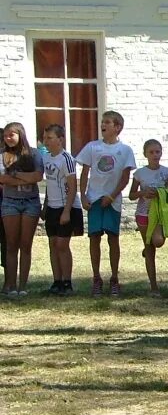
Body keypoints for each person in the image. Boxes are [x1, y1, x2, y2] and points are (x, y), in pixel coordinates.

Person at [77, 110, 137, 297]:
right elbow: (85, 173)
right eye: (103, 122)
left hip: (112, 201)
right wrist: (84, 195)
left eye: (108, 122)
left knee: (113, 238)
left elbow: (125, 178)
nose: (103, 125)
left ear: (117, 127)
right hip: (94, 199)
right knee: (94, 237)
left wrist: (111, 196)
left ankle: (114, 278)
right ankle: (96, 278)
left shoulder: (125, 150)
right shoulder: (92, 147)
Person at [0, 122, 44, 296]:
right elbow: (2, 179)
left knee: (26, 245)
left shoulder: (34, 154)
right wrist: (25, 179)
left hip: (30, 202)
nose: (8, 138)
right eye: (5, 136)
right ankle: (10, 284)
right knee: (11, 245)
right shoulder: (2, 155)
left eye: (11, 135)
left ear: (20, 134)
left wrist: (15, 175)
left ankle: (23, 286)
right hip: (10, 202)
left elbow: (38, 176)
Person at [40, 124, 82, 295]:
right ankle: (56, 281)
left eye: (50, 138)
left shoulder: (67, 159)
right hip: (51, 206)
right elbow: (50, 186)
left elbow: (72, 187)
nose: (46, 141)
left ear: (60, 139)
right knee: (52, 244)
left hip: (67, 207)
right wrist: (45, 207)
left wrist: (66, 211)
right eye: (45, 138)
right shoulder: (47, 158)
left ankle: (67, 282)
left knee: (62, 244)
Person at [128, 139, 168, 296]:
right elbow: (132, 195)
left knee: (158, 241)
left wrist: (162, 194)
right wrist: (143, 193)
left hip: (160, 214)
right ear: (145, 154)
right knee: (150, 248)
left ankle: (147, 251)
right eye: (151, 152)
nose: (155, 155)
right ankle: (154, 287)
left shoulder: (167, 172)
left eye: (157, 152)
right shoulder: (140, 173)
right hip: (143, 213)